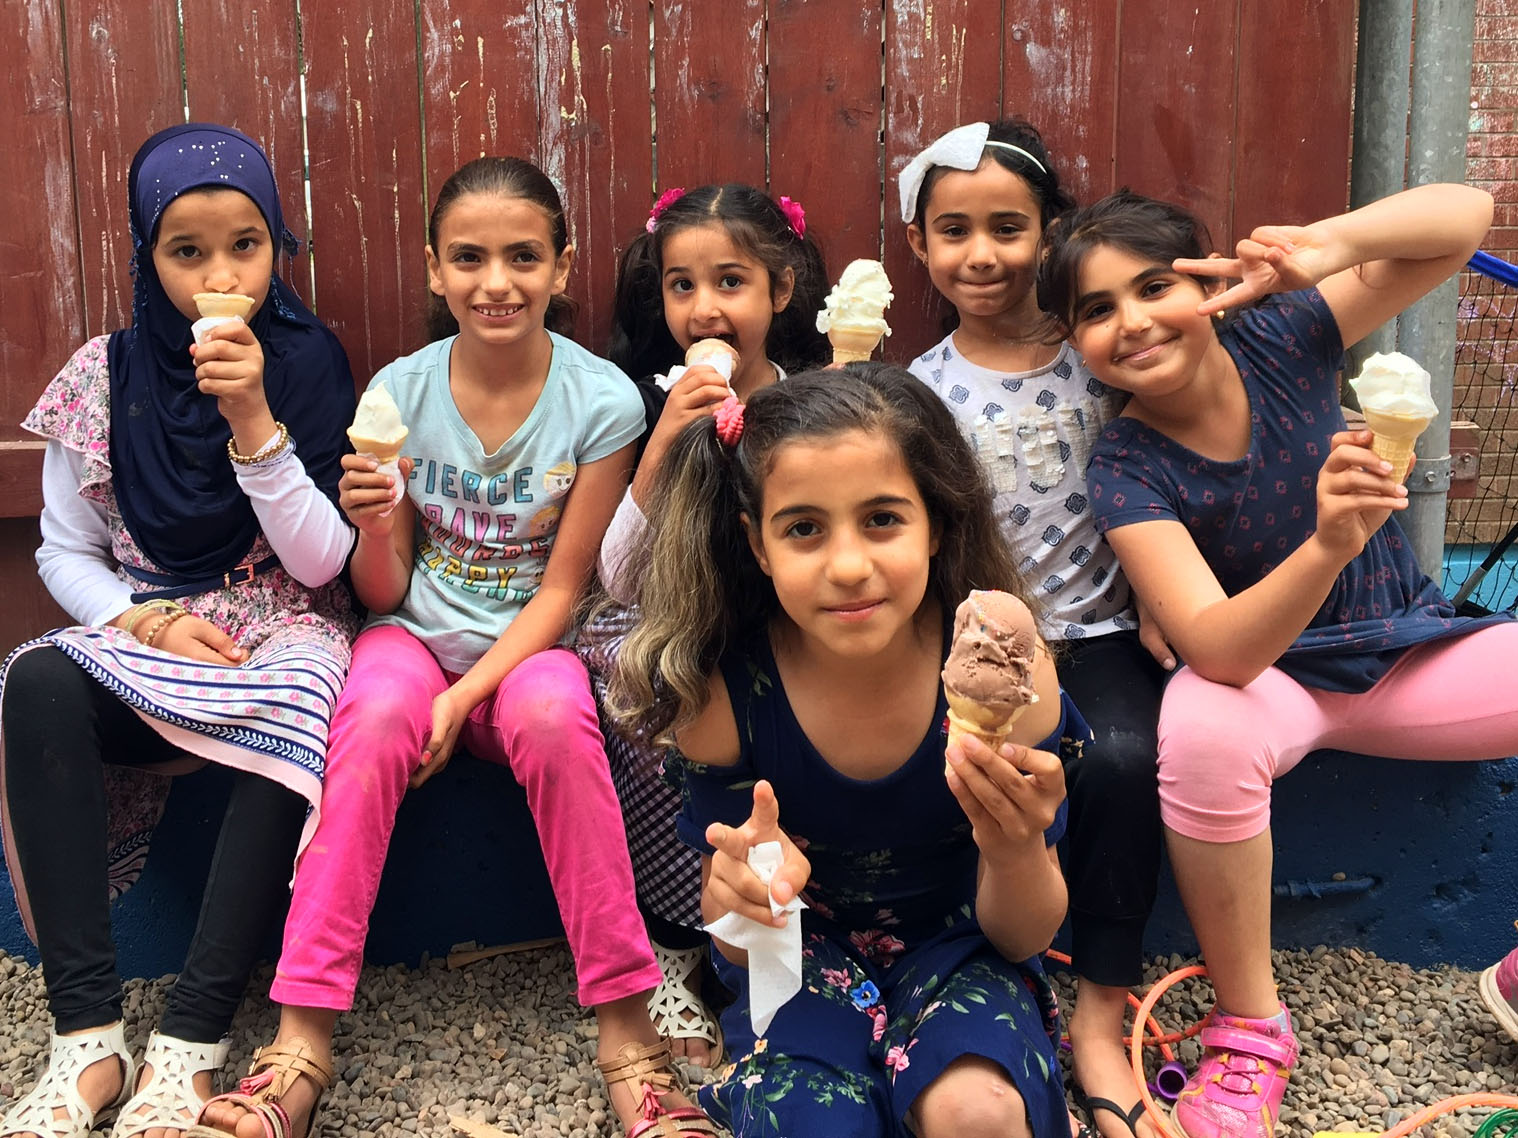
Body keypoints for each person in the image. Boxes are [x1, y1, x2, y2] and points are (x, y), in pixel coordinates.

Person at [192, 157, 715, 1138]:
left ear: (563, 268)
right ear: (435, 271)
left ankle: (628, 1041)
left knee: (560, 717)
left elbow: (565, 590)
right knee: (376, 707)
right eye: (468, 258)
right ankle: (298, 1044)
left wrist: (465, 695)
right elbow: (382, 590)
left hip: (527, 650)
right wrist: (379, 524)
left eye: (523, 256)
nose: (496, 281)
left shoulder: (602, 404)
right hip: (412, 639)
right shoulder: (402, 391)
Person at [1037, 184, 1518, 1138]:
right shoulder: (1126, 467)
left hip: (1407, 653)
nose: (1132, 322)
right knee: (1200, 730)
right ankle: (1252, 1029)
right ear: (1074, 341)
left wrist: (1323, 249)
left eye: (1153, 286)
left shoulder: (1286, 333)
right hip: (1276, 683)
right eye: (1096, 311)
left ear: (1209, 285)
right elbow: (1215, 650)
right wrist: (1327, 543)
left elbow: (1464, 218)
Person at [602, 364, 1089, 1138]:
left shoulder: (1011, 682)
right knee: (815, 1124)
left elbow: (1025, 934)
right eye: (803, 528)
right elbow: (728, 930)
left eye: (883, 520)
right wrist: (749, 900)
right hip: (800, 960)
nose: (850, 565)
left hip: (964, 945)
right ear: (756, 544)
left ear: (938, 519)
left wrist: (1015, 846)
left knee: (977, 1111)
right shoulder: (725, 700)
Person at [0, 123, 359, 1138]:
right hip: (153, 622)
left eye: (245, 244)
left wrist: (254, 423)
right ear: (145, 257)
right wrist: (142, 623)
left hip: (279, 619)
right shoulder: (102, 375)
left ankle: (192, 1045)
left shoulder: (307, 361)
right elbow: (64, 554)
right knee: (34, 680)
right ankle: (87, 1041)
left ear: (277, 244)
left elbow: (326, 562)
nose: (219, 274)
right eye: (186, 250)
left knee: (293, 699)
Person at [898, 119, 1169, 1138]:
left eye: (1008, 227)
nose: (981, 254)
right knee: (950, 775)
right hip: (977, 646)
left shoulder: (1101, 358)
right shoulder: (919, 388)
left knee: (1123, 757)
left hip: (1096, 631)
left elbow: (1178, 457)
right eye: (953, 230)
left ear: (1050, 231)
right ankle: (975, 965)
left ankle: (1099, 1006)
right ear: (919, 246)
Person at [585, 183, 830, 1067]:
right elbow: (617, 578)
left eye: (730, 281)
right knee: (635, 680)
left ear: (782, 290)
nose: (704, 308)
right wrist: (664, 445)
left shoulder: (818, 398)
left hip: (796, 617)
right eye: (681, 285)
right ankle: (683, 938)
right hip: (681, 621)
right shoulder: (647, 404)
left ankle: (805, 931)